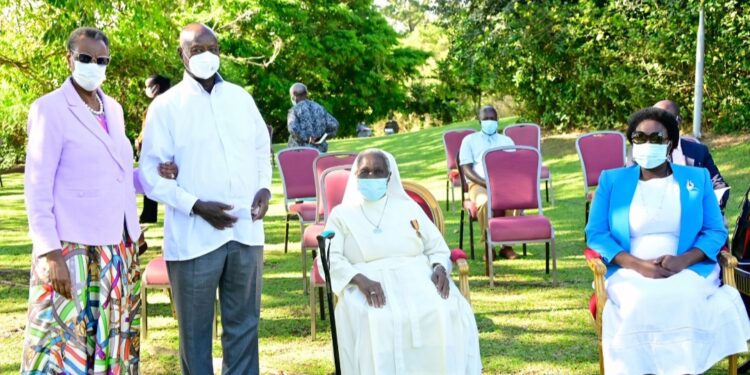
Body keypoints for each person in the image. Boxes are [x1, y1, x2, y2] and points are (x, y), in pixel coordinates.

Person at [139, 23, 271, 374]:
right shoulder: (167, 107)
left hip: (245, 232)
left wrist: (265, 188)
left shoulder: (241, 98)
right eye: (197, 50)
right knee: (196, 338)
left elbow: (261, 148)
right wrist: (196, 206)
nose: (206, 55)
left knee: (244, 330)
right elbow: (150, 175)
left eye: (212, 48)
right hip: (195, 239)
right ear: (182, 54)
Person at [586, 107, 750, 374]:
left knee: (683, 297)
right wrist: (638, 265)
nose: (647, 144)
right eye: (639, 138)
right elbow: (596, 234)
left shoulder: (697, 179)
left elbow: (715, 231)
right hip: (628, 268)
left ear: (670, 143)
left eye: (656, 138)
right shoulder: (611, 180)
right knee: (638, 300)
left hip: (689, 266)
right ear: (631, 142)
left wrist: (683, 261)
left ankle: (683, 368)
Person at [22, 27, 145, 374]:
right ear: (70, 59)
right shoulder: (49, 109)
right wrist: (50, 253)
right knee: (63, 345)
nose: (94, 65)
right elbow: (37, 185)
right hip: (69, 251)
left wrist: (133, 229)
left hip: (114, 249)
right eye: (86, 58)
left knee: (107, 345)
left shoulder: (115, 110)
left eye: (102, 60)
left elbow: (117, 173)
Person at [324, 149, 482, 374]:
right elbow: (329, 257)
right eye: (365, 172)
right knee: (377, 320)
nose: (371, 177)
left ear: (389, 177)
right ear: (355, 176)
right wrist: (360, 280)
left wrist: (439, 268)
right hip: (367, 283)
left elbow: (436, 247)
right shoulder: (341, 214)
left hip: (418, 278)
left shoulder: (408, 207)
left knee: (443, 310)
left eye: (378, 172)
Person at [458, 105, 518, 259]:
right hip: (478, 184)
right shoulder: (469, 140)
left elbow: (513, 166)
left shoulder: (507, 140)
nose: (489, 122)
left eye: (492, 119)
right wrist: (486, 183)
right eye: (485, 119)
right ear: (479, 121)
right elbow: (466, 169)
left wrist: (503, 183)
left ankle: (507, 246)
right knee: (484, 201)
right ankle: (488, 245)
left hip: (503, 184)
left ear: (497, 120)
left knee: (515, 200)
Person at [654, 99, 730, 210]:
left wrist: (705, 210)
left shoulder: (698, 152)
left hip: (697, 218)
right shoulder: (644, 153)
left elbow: (718, 186)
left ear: (678, 122)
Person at [137, 74, 172, 224]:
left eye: (147, 86)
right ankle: (148, 214)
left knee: (151, 181)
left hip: (156, 151)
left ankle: (149, 214)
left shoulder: (161, 105)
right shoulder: (161, 104)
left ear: (156, 87)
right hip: (150, 147)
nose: (146, 90)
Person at [287, 82, 338, 152]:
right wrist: (320, 139)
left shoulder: (294, 110)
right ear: (306, 94)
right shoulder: (319, 108)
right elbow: (334, 125)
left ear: (294, 96)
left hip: (300, 152)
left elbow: (292, 128)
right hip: (319, 151)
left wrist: (308, 139)